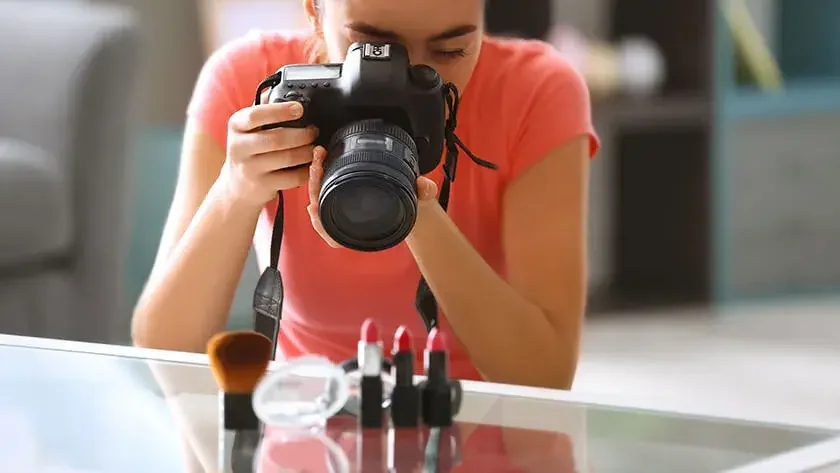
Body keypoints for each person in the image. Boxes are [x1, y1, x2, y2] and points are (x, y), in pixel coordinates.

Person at [131, 0, 599, 390]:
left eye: (452, 49)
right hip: (312, 431)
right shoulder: (252, 82)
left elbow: (544, 377)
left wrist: (413, 206)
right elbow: (166, 349)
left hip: (480, 433)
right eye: (374, 49)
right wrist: (235, 191)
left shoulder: (536, 91)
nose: (407, 76)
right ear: (315, 9)